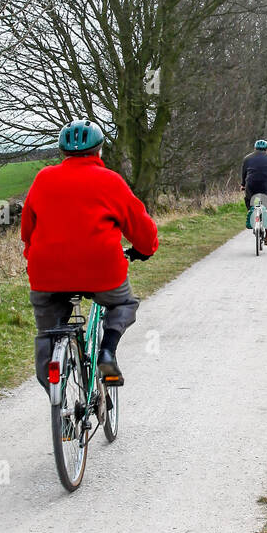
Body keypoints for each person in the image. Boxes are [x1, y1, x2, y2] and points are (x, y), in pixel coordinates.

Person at [21, 120, 158, 387]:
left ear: (62, 154)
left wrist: (34, 257)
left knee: (48, 333)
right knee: (123, 304)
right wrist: (145, 250)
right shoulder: (111, 181)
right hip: (102, 272)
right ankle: (107, 351)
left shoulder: (43, 179)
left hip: (47, 275)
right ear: (99, 152)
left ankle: (60, 409)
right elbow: (141, 228)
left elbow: (27, 230)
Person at [240, 138, 267, 245]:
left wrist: (243, 185)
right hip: (266, 186)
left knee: (249, 201)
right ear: (266, 149)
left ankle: (251, 214)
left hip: (251, 185)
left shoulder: (247, 158)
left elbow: (244, 173)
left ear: (255, 148)